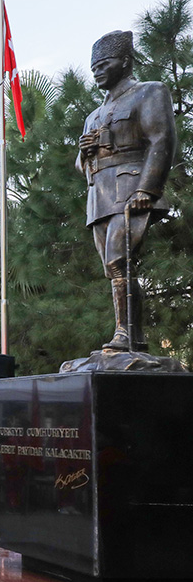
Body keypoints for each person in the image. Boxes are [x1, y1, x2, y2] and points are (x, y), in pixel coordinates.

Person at [77, 30, 177, 352]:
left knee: (120, 260)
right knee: (113, 267)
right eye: (94, 67)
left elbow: (161, 140)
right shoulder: (93, 116)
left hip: (132, 186)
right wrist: (85, 153)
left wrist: (148, 187)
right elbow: (83, 167)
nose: (97, 72)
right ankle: (132, 334)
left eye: (104, 64)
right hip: (100, 196)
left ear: (124, 61)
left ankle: (126, 333)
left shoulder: (149, 92)